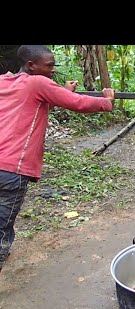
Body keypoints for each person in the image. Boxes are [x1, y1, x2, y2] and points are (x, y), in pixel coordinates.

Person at [0, 45, 115, 272]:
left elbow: (38, 100)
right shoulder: (38, 83)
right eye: (49, 66)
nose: (53, 70)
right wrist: (106, 101)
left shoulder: (5, 82)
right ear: (31, 66)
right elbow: (79, 104)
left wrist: (63, 90)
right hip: (13, 168)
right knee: (2, 225)